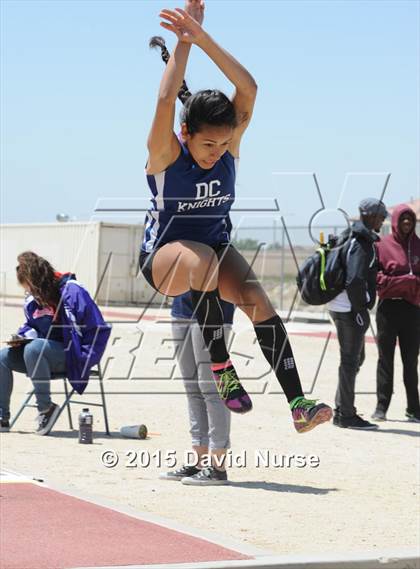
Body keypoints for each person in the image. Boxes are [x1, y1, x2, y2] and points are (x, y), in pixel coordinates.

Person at [140, 0, 332, 433]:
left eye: (225, 146)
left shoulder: (227, 145)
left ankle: (298, 403)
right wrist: (184, 41)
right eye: (209, 146)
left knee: (259, 302)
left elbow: (248, 90)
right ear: (186, 134)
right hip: (164, 260)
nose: (218, 154)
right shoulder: (166, 152)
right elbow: (167, 97)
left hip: (211, 249)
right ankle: (221, 364)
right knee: (202, 263)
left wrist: (205, 36)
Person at [0, 252, 111, 435]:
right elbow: (31, 326)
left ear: (37, 281)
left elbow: (98, 328)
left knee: (34, 349)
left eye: (30, 288)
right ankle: (2, 417)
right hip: (41, 355)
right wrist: (20, 338)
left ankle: (46, 408)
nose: (29, 292)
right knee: (3, 356)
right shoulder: (33, 301)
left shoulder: (72, 291)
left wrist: (86, 356)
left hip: (73, 355)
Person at [160, 292, 234, 485]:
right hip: (182, 308)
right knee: (192, 388)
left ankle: (218, 468)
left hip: (214, 309)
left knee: (212, 389)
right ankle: (199, 463)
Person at [328, 198, 388, 430]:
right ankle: (346, 415)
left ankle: (341, 408)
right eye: (381, 217)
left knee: (354, 360)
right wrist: (361, 308)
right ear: (370, 216)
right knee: (350, 360)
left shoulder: (350, 235)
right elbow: (354, 280)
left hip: (340, 306)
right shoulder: (361, 242)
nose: (382, 221)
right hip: (349, 309)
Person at [372, 204, 420, 422]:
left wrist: (406, 283)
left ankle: (414, 409)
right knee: (385, 360)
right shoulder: (381, 245)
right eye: (404, 220)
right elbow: (378, 282)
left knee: (411, 361)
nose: (407, 224)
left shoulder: (419, 246)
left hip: (412, 310)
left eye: (411, 220)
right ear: (395, 222)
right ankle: (382, 407)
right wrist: (406, 281)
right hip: (387, 311)